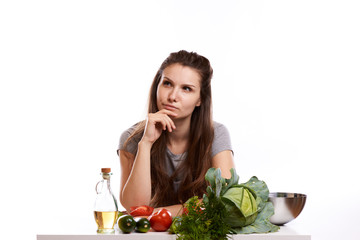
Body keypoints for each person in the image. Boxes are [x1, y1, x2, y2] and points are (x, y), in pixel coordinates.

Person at [117, 50, 234, 216]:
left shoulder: (216, 135)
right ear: (156, 86)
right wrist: (146, 144)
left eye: (186, 89)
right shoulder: (132, 139)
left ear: (200, 99)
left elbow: (225, 200)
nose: (172, 96)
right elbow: (135, 207)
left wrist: (158, 213)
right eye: (167, 84)